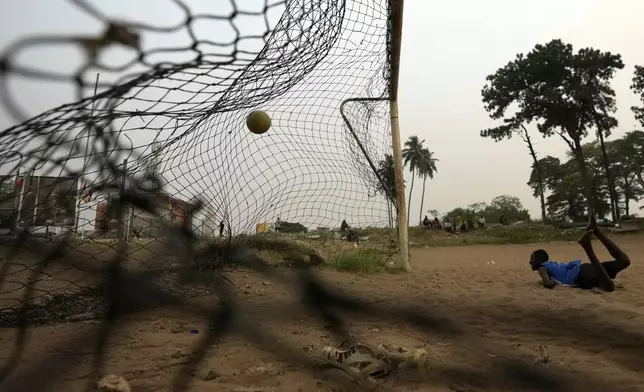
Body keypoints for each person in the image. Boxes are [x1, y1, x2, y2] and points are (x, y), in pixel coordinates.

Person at [529, 215, 630, 291]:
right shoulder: (553, 265)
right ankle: (596, 231)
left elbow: (548, 284)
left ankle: (587, 248)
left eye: (532, 259)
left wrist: (552, 282)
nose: (530, 262)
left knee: (608, 286)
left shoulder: (542, 268)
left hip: (581, 276)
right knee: (624, 261)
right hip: (586, 267)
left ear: (539, 261)